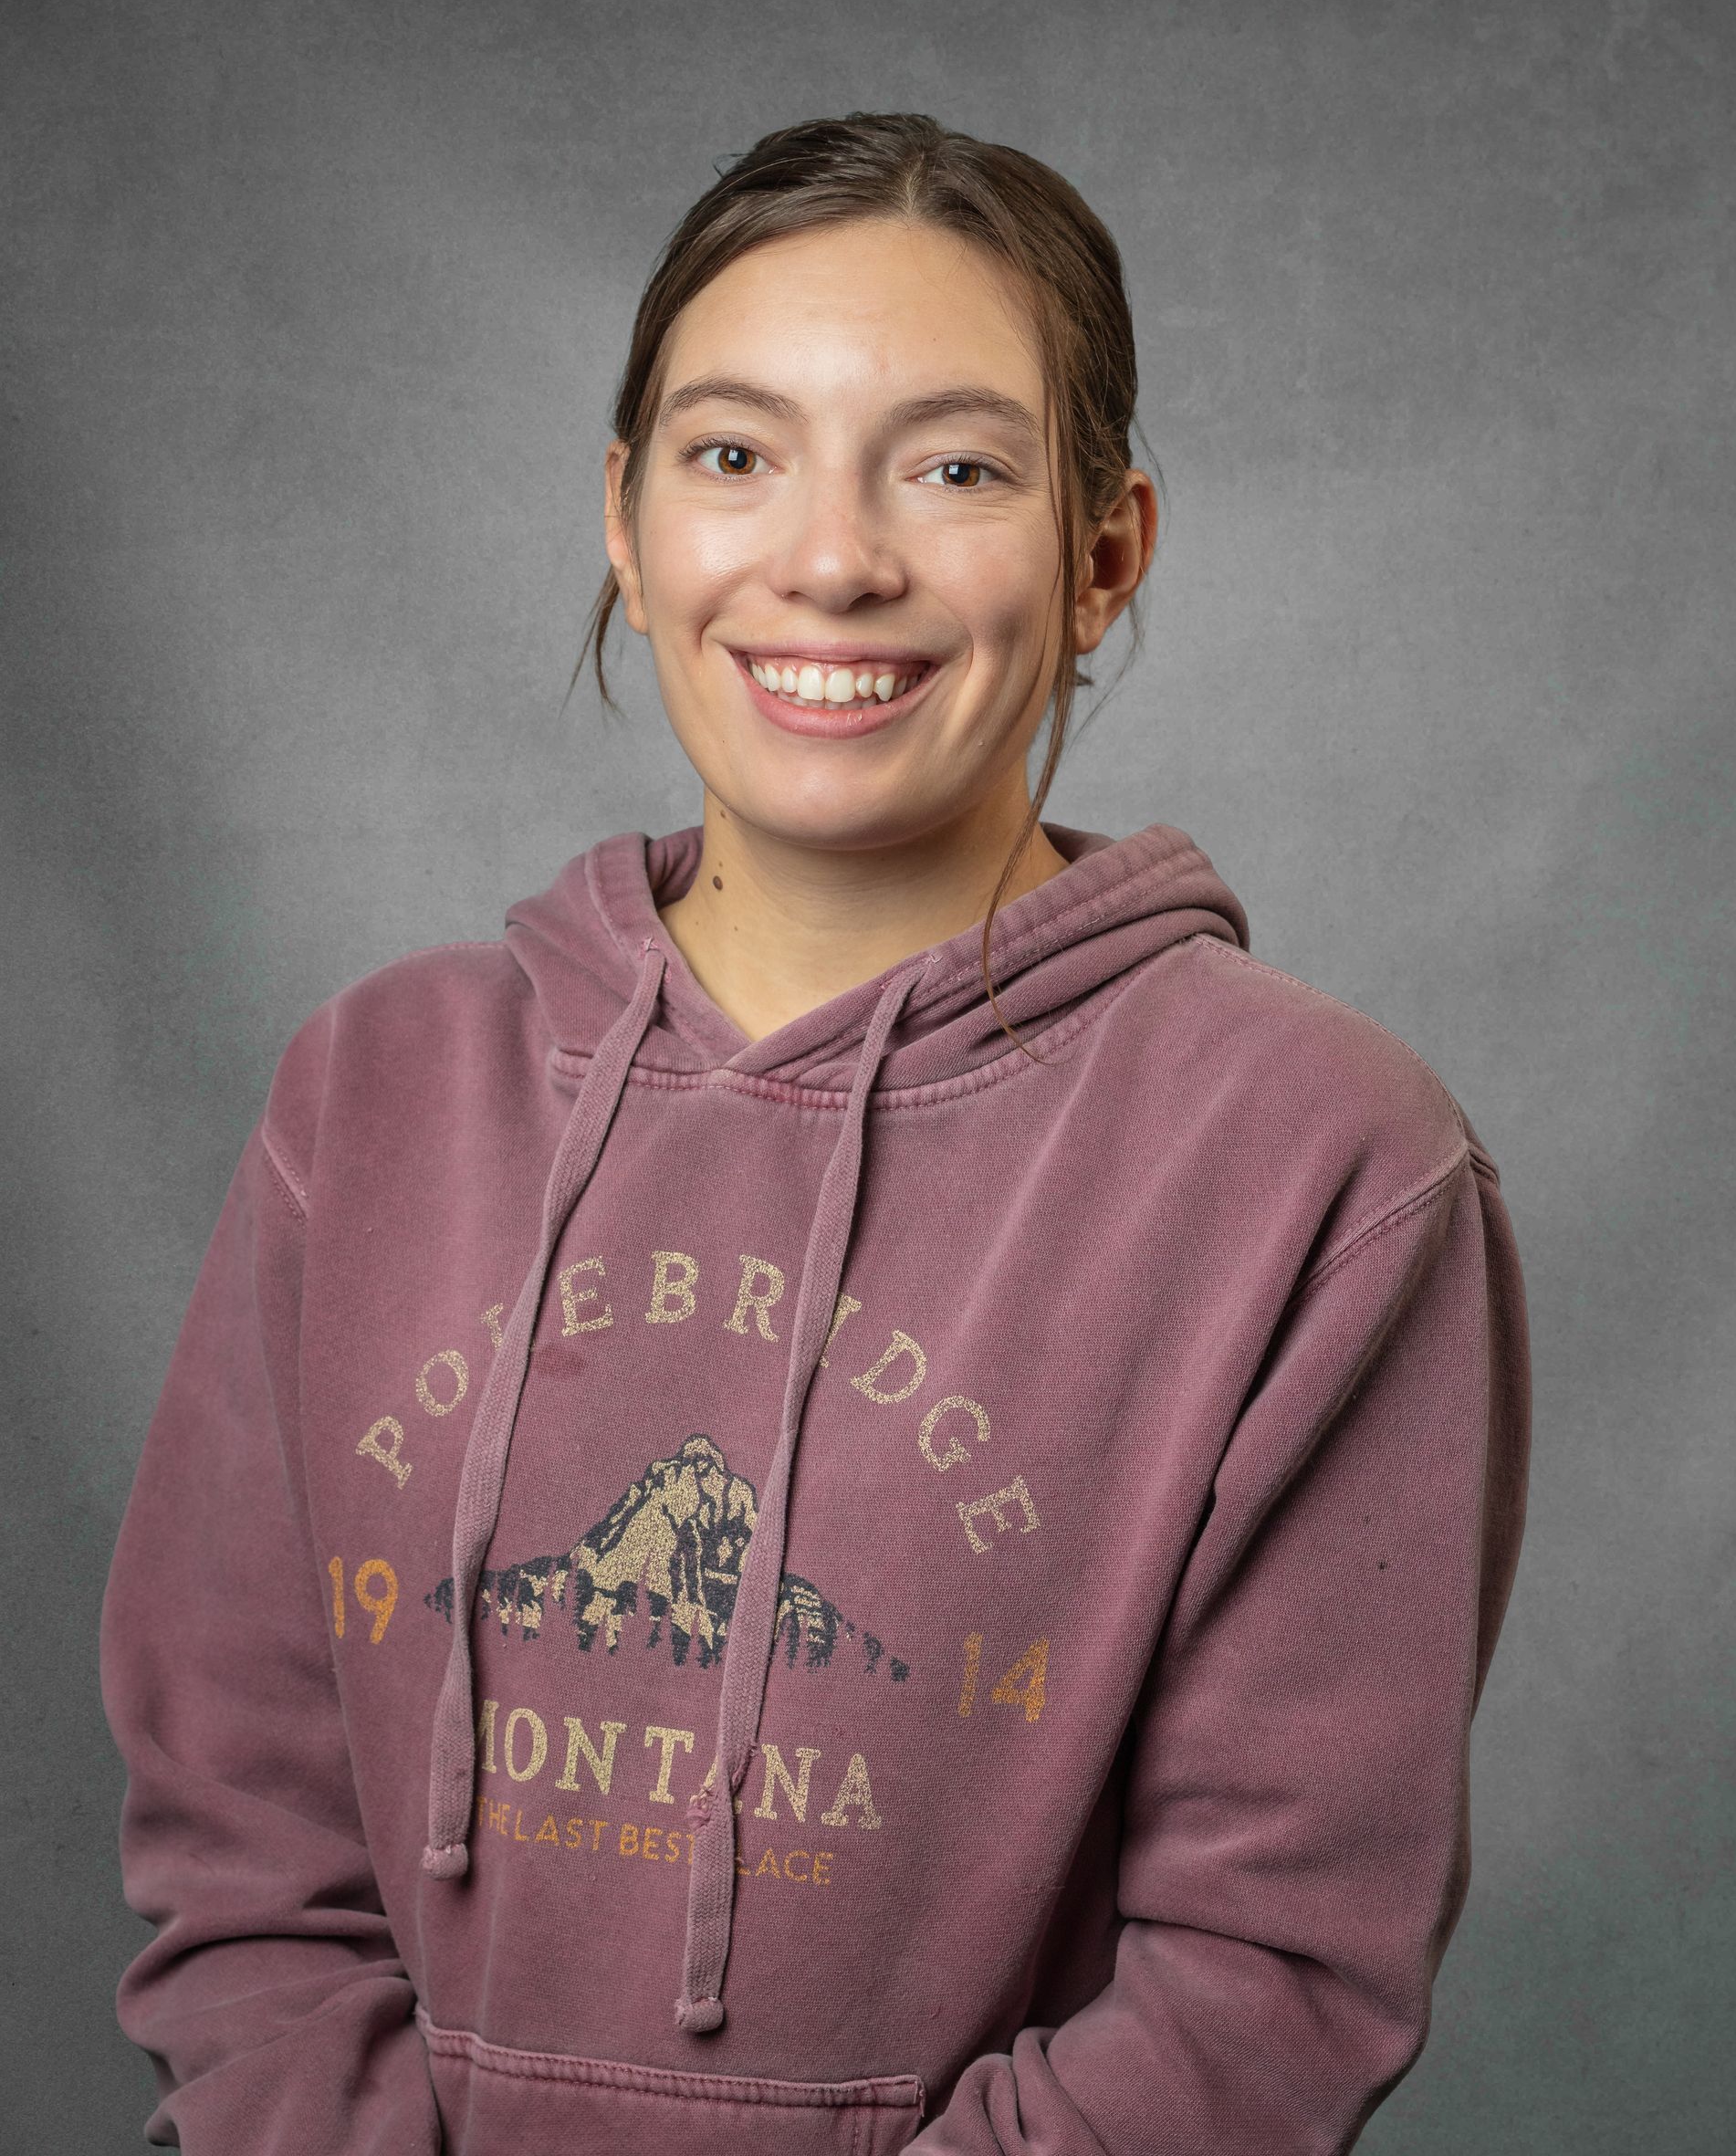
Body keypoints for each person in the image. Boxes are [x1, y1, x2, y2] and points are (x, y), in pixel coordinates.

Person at [100, 112, 1532, 2155]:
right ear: (626, 518)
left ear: (1106, 549)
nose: (832, 556)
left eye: (954, 467)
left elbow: (1265, 1980)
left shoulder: (1325, 1164)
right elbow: (240, 1871)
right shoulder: (372, 1093)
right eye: (734, 453)